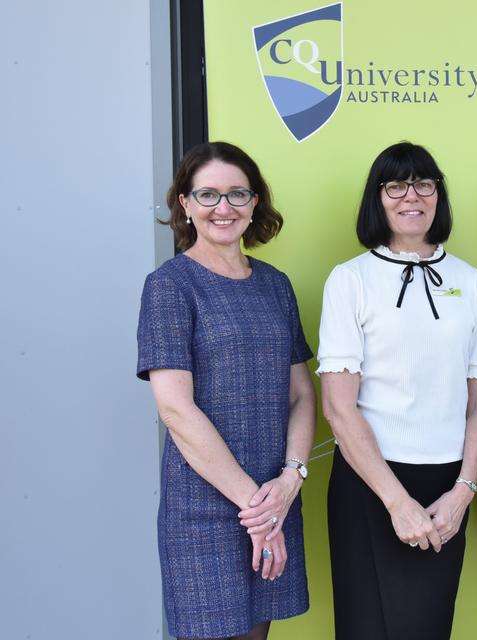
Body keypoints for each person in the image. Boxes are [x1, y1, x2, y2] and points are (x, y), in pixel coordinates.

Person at [318, 141, 477, 639]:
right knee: (367, 627)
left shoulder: (473, 283)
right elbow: (338, 407)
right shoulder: (349, 280)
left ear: (438, 195)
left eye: (423, 183)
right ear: (378, 199)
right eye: (395, 185)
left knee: (428, 627)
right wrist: (396, 503)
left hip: (446, 487)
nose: (410, 196)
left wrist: (463, 492)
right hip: (369, 484)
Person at [137, 141, 315, 640]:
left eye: (238, 194)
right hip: (205, 508)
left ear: (255, 203)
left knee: (257, 634)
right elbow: (175, 409)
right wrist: (258, 511)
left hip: (276, 493)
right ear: (185, 205)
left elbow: (301, 395)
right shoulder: (170, 287)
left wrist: (288, 483)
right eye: (208, 195)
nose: (224, 208)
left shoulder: (275, 285)